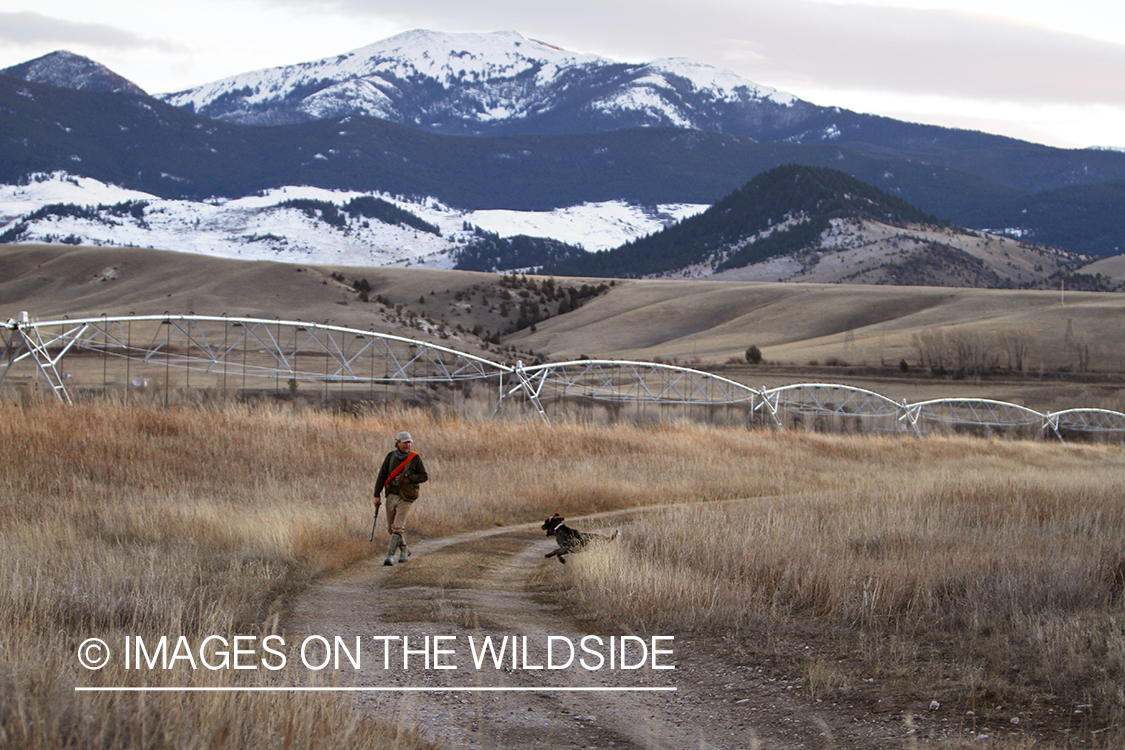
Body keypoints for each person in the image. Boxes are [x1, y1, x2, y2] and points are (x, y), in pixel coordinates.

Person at [373, 431, 428, 566]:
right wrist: (376, 495)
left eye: (409, 442)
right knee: (391, 529)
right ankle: (404, 550)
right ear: (398, 443)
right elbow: (382, 476)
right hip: (391, 495)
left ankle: (389, 555)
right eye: (405, 442)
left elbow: (423, 476)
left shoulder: (415, 458)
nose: (408, 445)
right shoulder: (390, 457)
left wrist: (409, 477)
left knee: (398, 528)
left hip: (406, 496)